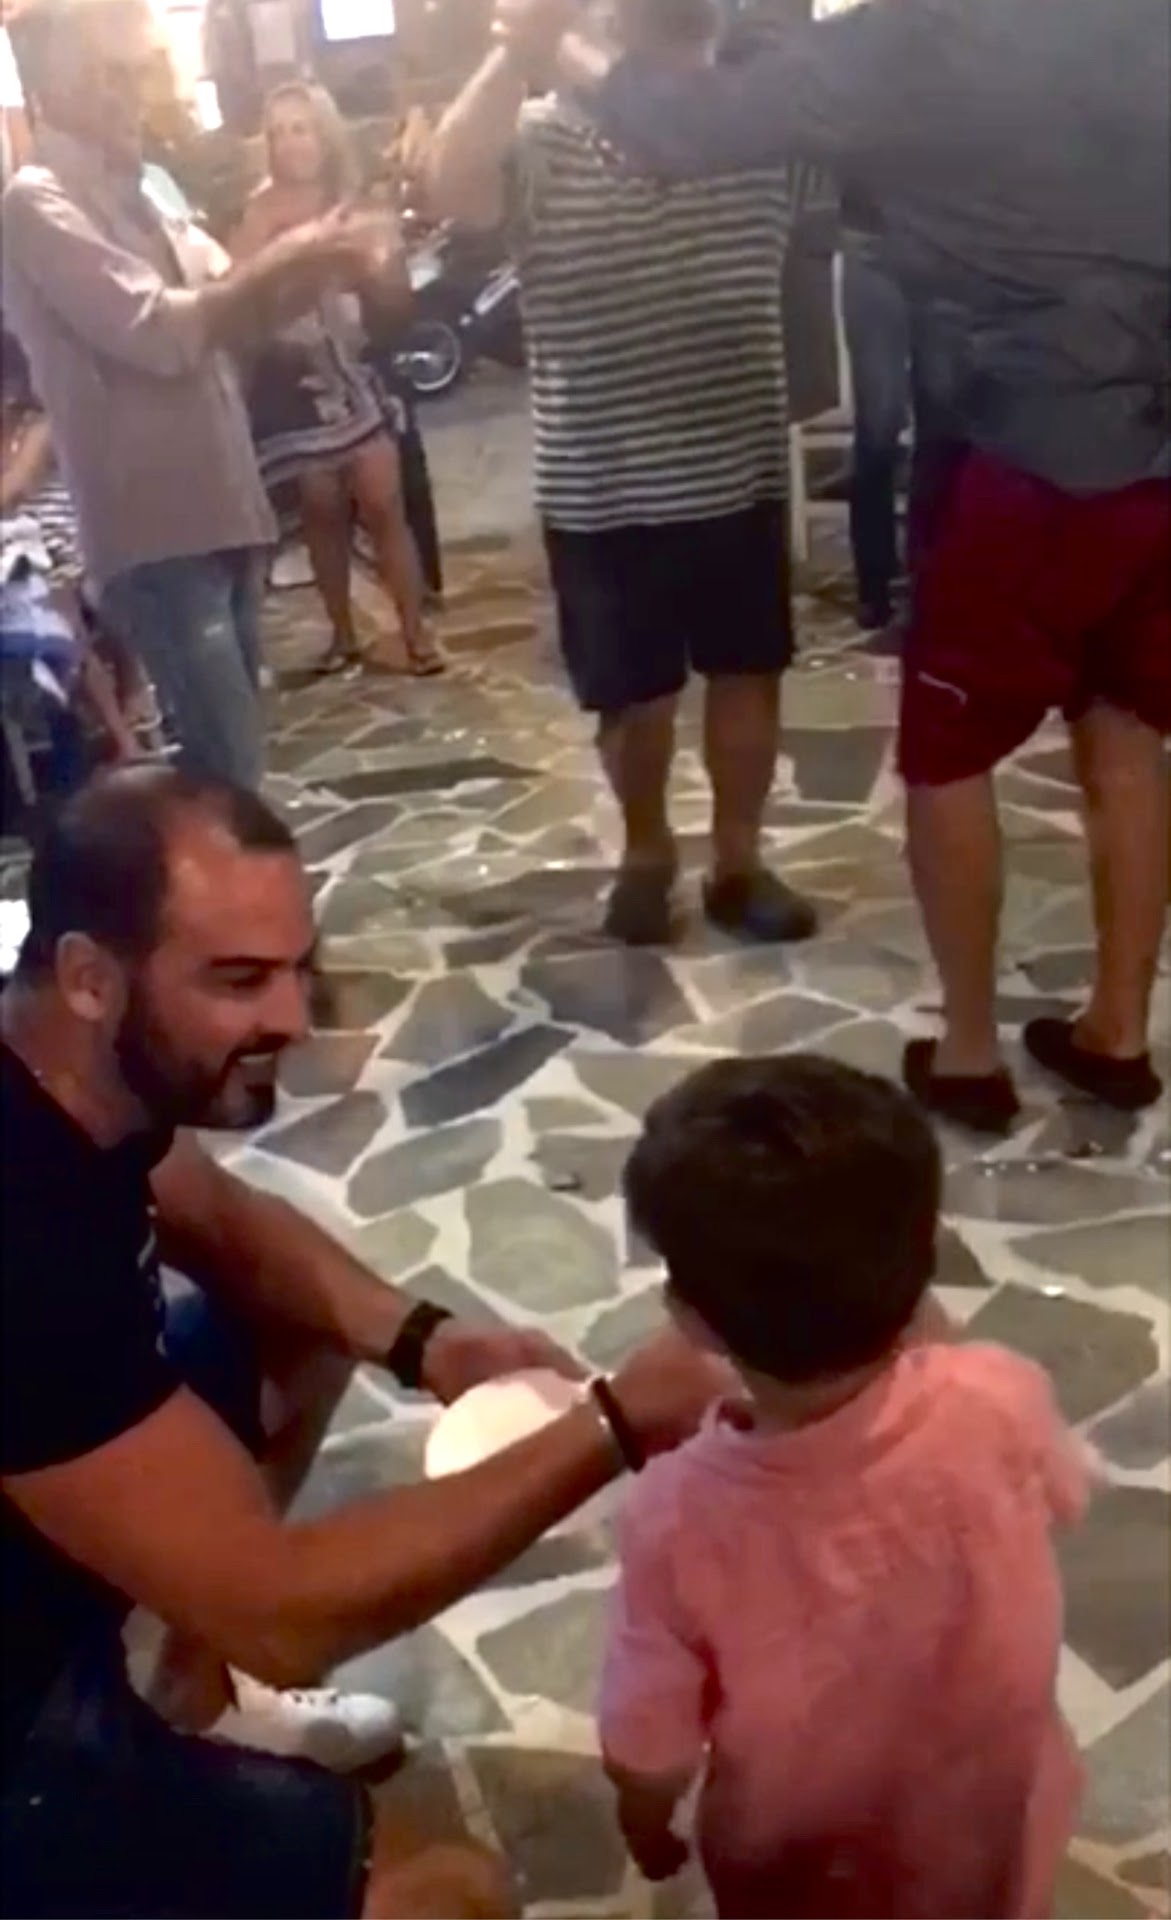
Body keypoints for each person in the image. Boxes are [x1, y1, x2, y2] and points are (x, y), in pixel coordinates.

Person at [0, 764, 723, 1919]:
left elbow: (220, 1218)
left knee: (308, 1321)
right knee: (449, 1894)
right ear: (90, 977)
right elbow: (291, 1614)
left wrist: (426, 1342)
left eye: (299, 968)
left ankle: (191, 1696)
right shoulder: (22, 1239)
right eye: (240, 979)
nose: (293, 1019)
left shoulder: (61, 1066)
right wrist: (613, 1423)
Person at [501, 0, 1171, 1130]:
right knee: (1126, 731)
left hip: (1016, 452)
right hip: (1156, 453)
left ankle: (968, 1052)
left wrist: (545, 39)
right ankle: (1116, 1033)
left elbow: (675, 127)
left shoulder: (921, 37)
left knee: (949, 754)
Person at [603, 1054, 1088, 1918]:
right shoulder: (1000, 1394)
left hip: (805, 1869)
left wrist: (643, 1824)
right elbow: (1068, 1496)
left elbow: (650, 1741)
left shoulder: (676, 1514)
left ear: (689, 1319)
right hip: (996, 1822)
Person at [428, 0, 832, 949]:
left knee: (746, 672)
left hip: (735, 462)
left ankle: (737, 862)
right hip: (602, 479)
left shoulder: (754, 127)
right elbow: (449, 185)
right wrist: (515, 49)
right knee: (633, 699)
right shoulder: (543, 134)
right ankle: (646, 854)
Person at [1, 0, 393, 789]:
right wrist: (287, 254)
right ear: (56, 86)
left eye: (139, 73)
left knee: (233, 768)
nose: (133, 94)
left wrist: (321, 266)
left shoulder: (145, 191)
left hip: (220, 504)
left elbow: (228, 312)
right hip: (157, 529)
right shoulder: (37, 204)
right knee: (230, 770)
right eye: (112, 75)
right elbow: (158, 329)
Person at [233, 84, 443, 678]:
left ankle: (414, 632)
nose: (288, 143)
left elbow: (397, 302)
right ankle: (344, 636)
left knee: (382, 501)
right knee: (321, 509)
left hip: (357, 366)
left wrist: (373, 268)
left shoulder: (358, 202)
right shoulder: (260, 210)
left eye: (299, 128)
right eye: (277, 132)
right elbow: (234, 291)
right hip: (293, 374)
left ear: (324, 134)